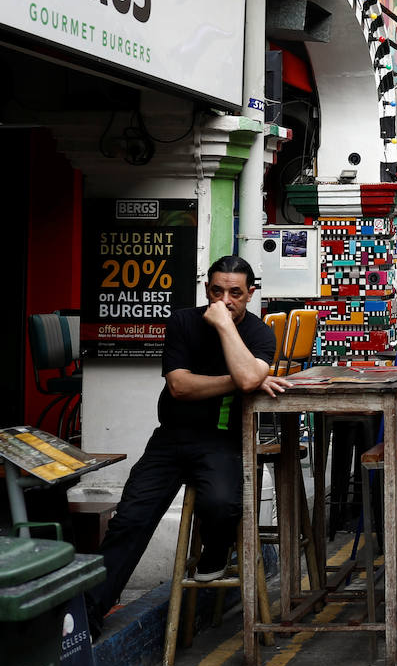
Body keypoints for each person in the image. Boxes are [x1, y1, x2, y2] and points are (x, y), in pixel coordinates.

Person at [86, 255, 290, 636]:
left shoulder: (260, 334)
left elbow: (249, 378)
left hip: (222, 440)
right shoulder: (182, 321)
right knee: (129, 519)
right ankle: (90, 613)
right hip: (171, 438)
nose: (225, 300)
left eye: (235, 293)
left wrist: (226, 329)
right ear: (206, 290)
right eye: (217, 291)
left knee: (222, 504)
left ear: (250, 294)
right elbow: (180, 386)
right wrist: (242, 379)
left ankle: (215, 554)